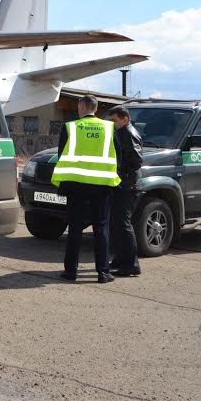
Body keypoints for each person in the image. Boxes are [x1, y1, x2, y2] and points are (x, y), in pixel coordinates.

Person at [51, 95, 120, 283]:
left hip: (76, 185)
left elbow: (61, 155)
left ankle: (70, 272)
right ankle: (103, 272)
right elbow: (118, 156)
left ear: (81, 107)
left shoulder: (70, 127)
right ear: (96, 109)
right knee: (101, 228)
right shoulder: (109, 128)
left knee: (74, 228)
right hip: (102, 185)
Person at [108, 105, 143, 277]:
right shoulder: (121, 132)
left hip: (127, 187)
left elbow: (136, 160)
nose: (112, 123)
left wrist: (120, 174)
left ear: (125, 119)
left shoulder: (128, 133)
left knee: (124, 225)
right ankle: (120, 260)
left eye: (114, 120)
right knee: (117, 225)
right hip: (122, 185)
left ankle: (131, 264)